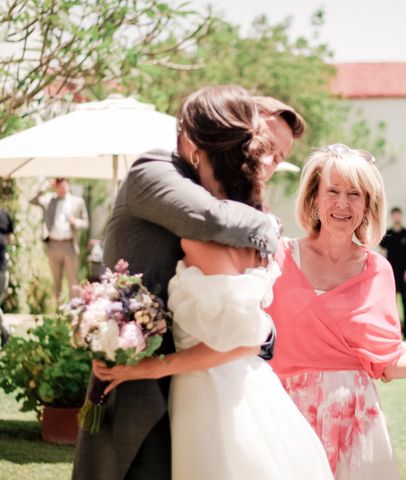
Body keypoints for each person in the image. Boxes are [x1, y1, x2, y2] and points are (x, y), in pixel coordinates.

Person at [89, 84, 332, 480]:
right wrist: (270, 227)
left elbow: (248, 326)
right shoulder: (156, 170)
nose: (268, 160)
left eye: (280, 156)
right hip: (141, 378)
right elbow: (209, 220)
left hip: (200, 381)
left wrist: (261, 330)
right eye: (264, 144)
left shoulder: (236, 213)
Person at [267, 143, 406, 480]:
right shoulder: (277, 258)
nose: (342, 204)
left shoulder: (378, 270)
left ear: (368, 205)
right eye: (332, 191)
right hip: (286, 416)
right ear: (313, 199)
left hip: (356, 423)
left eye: (355, 194)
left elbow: (388, 361)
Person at [29, 177, 89, 300]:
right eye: (58, 186)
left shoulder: (78, 201)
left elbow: (86, 223)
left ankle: (74, 311)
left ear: (68, 185)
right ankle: (58, 314)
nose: (61, 189)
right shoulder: (49, 200)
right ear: (55, 187)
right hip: (53, 245)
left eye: (63, 186)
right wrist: (46, 185)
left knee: (73, 280)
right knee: (56, 281)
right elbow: (33, 200)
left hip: (69, 245)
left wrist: (75, 222)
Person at [380, 207, 406, 339]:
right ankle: (396, 327)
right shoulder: (387, 234)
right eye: (394, 215)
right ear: (391, 217)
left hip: (405, 274)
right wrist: (384, 273)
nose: (396, 217)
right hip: (391, 275)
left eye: (398, 215)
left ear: (401, 216)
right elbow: (383, 255)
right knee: (391, 302)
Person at [0, 207, 13, 346]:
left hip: (1, 270)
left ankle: (5, 330)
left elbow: (9, 236)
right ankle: (5, 330)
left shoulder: (4, 214)